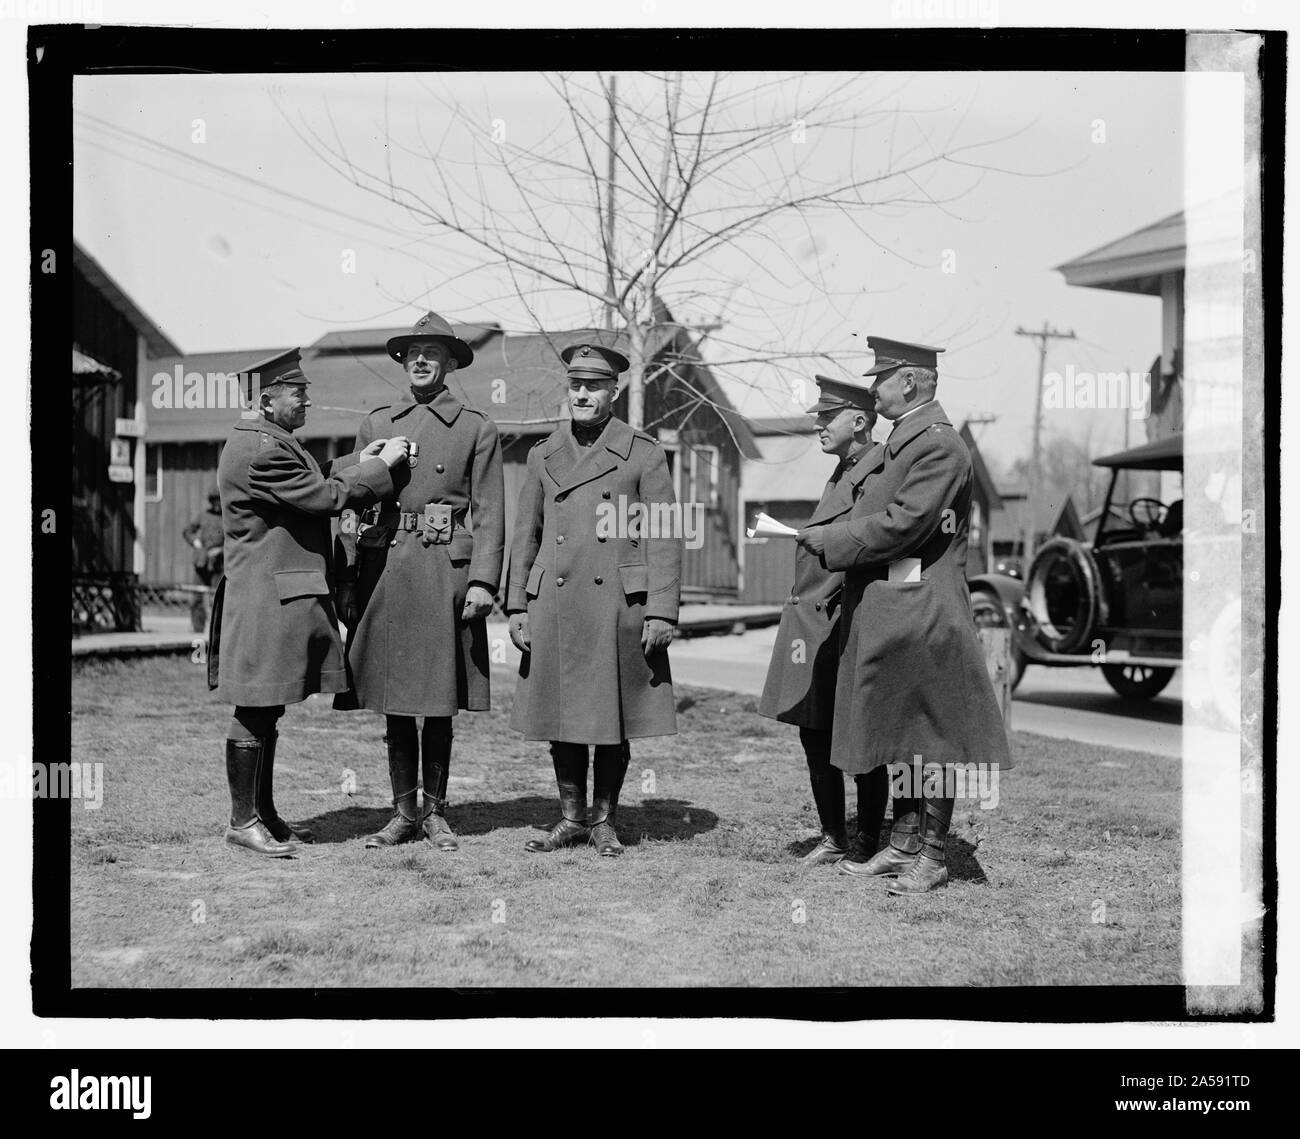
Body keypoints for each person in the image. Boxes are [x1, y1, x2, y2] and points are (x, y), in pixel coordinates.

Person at [797, 337, 1013, 894]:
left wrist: (833, 540)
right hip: (897, 608)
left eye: (881, 379)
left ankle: (933, 856)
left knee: (932, 736)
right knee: (901, 729)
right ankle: (902, 844)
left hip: (924, 611)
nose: (873, 390)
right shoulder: (904, 443)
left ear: (911, 382)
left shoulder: (938, 447)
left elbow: (905, 525)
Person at [210, 347, 411, 857]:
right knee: (256, 707)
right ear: (265, 398)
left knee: (267, 707)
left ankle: (265, 815)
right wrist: (382, 468)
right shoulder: (261, 448)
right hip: (265, 599)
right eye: (298, 392)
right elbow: (323, 498)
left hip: (271, 595)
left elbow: (309, 479)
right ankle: (242, 821)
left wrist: (358, 460)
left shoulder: (268, 441)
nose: (307, 401)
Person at [334, 311, 505, 852]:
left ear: (451, 361)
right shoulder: (378, 422)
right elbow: (350, 506)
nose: (422, 360)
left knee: (437, 694)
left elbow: (492, 513)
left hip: (443, 571)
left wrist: (483, 582)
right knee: (394, 694)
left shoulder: (477, 427)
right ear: (403, 361)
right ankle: (402, 812)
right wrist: (347, 574)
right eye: (413, 352)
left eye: (433, 352)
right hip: (385, 567)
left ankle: (435, 813)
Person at [506, 343, 681, 857]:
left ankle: (603, 821)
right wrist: (517, 604)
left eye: (594, 386)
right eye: (576, 385)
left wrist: (662, 608)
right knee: (562, 712)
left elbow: (665, 534)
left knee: (610, 715)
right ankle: (569, 817)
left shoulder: (643, 452)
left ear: (614, 392)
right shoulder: (542, 454)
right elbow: (526, 535)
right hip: (554, 601)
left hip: (617, 603)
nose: (582, 394)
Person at [757, 376, 889, 864]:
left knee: (859, 736)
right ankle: (835, 836)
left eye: (825, 416)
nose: (817, 425)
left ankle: (866, 841)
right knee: (815, 733)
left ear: (859, 421)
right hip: (817, 624)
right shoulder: (841, 472)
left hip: (847, 621)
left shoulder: (878, 472)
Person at [183, 489, 225, 632]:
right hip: (202, 563)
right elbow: (188, 531)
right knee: (197, 598)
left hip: (219, 565)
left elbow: (235, 541)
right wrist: (195, 542)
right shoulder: (203, 516)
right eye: (214, 500)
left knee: (219, 599)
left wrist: (221, 550)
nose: (217, 504)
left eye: (219, 500)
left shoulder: (228, 517)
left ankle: (217, 632)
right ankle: (197, 631)